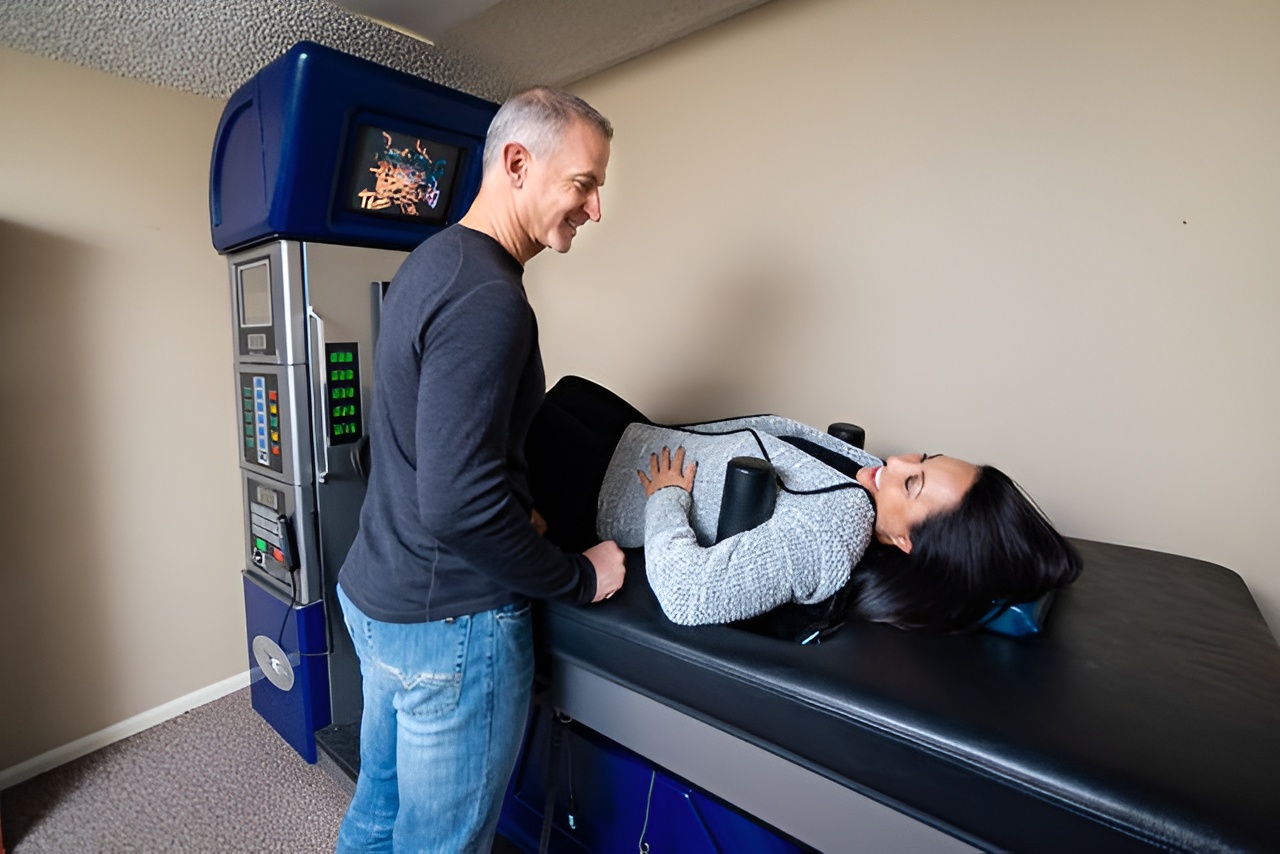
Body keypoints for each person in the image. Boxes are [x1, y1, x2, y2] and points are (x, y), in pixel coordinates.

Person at [334, 89, 627, 854]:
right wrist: (577, 575)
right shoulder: (490, 300)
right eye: (585, 184)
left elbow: (416, 447)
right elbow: (458, 503)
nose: (594, 210)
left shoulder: (433, 261)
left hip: (380, 594)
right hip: (450, 628)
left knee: (376, 815)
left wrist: (516, 505)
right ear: (519, 163)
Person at [529, 376, 1082, 635]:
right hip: (631, 439)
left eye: (912, 486)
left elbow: (689, 596)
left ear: (909, 543)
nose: (901, 460)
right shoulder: (870, 485)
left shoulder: (832, 537)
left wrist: (667, 498)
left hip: (596, 485)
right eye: (926, 458)